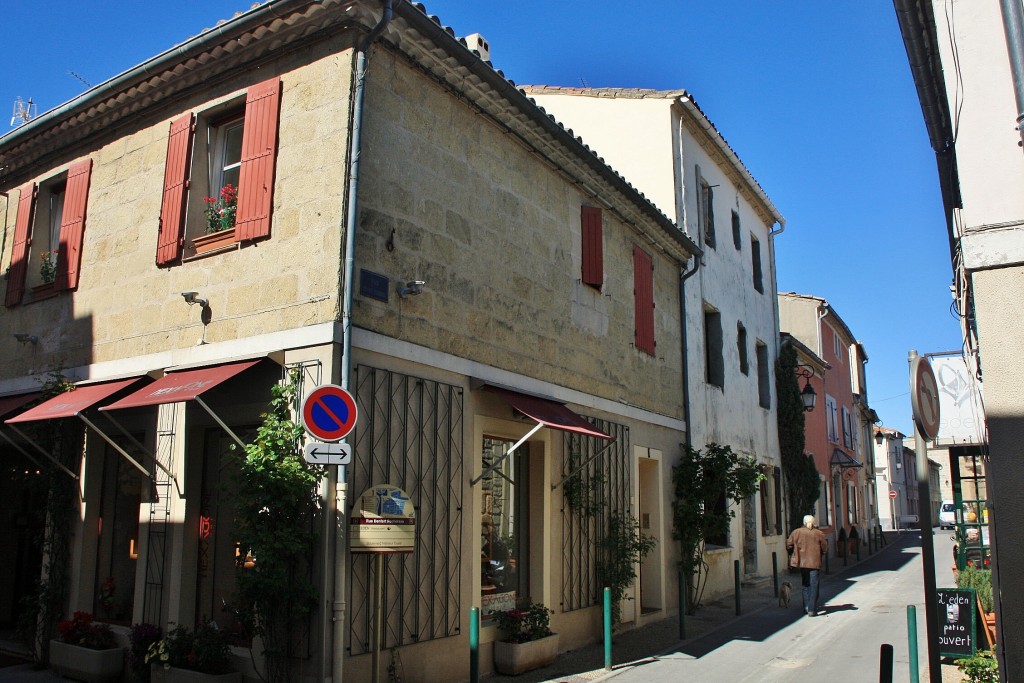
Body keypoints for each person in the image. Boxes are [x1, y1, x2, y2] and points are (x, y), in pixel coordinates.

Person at [786, 514, 829, 616]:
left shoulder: (796, 532)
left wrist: (793, 553)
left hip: (802, 562)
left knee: (805, 584)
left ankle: (806, 606)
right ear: (813, 523)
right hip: (814, 563)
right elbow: (825, 547)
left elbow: (788, 544)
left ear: (803, 522)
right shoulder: (818, 533)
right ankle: (811, 608)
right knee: (814, 586)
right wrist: (821, 553)